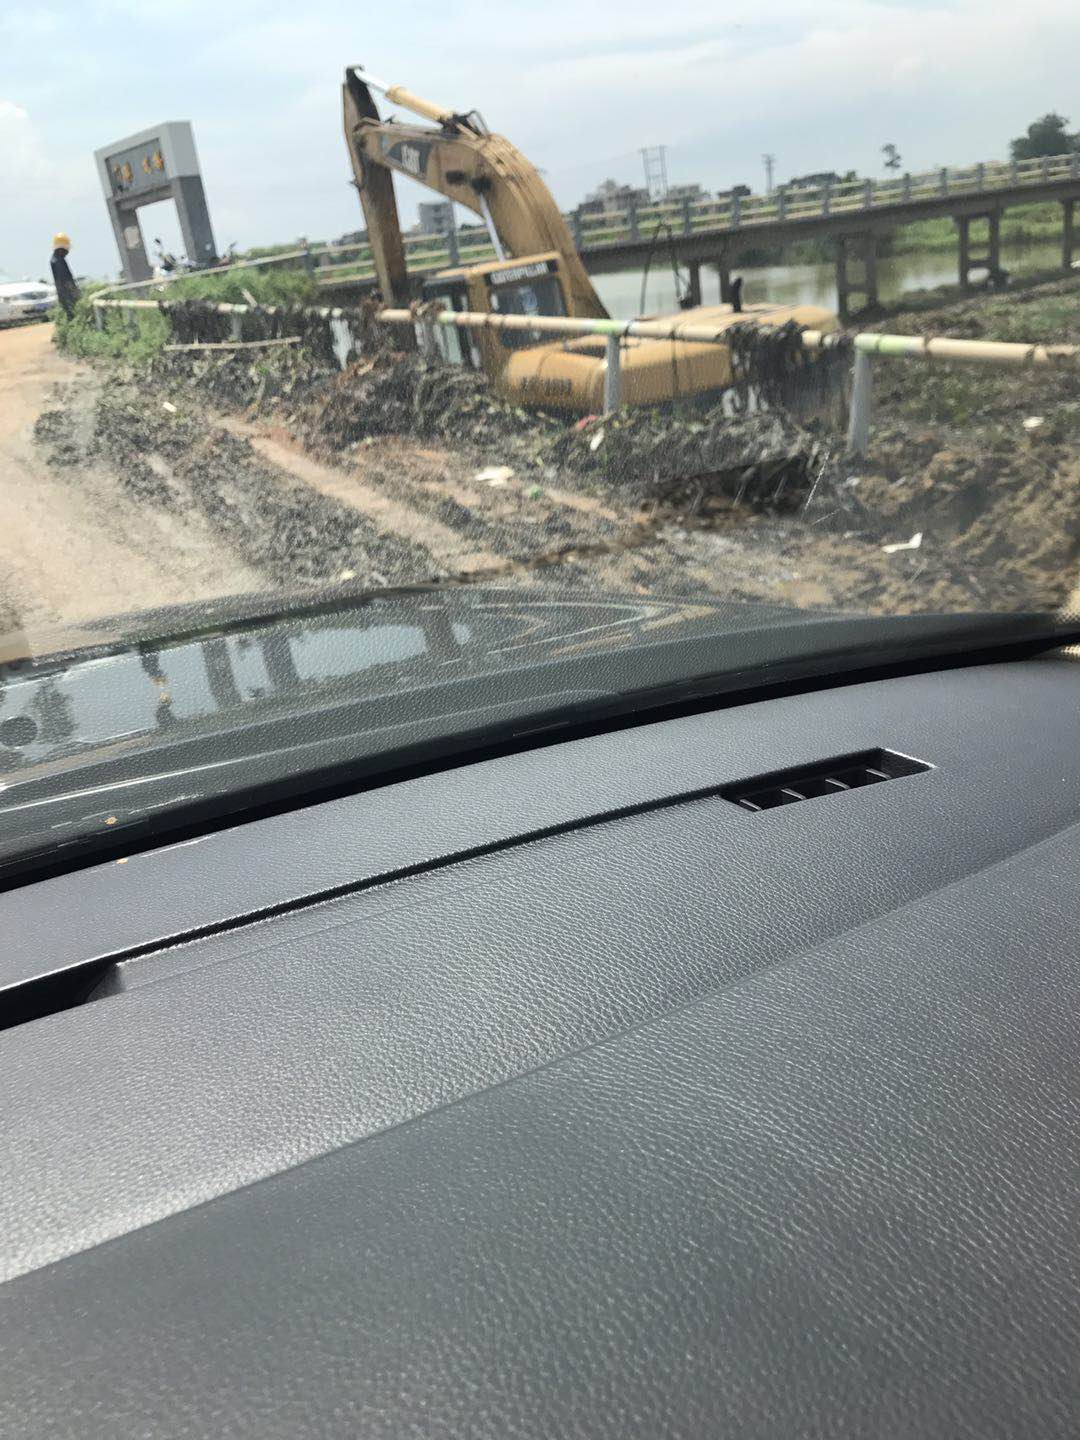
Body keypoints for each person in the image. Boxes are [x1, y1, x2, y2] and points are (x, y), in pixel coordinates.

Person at [49, 233, 80, 318]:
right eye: (67, 249)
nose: (68, 251)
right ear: (62, 248)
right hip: (68, 296)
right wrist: (76, 293)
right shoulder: (59, 261)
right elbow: (66, 280)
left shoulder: (54, 259)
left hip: (63, 296)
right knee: (73, 316)